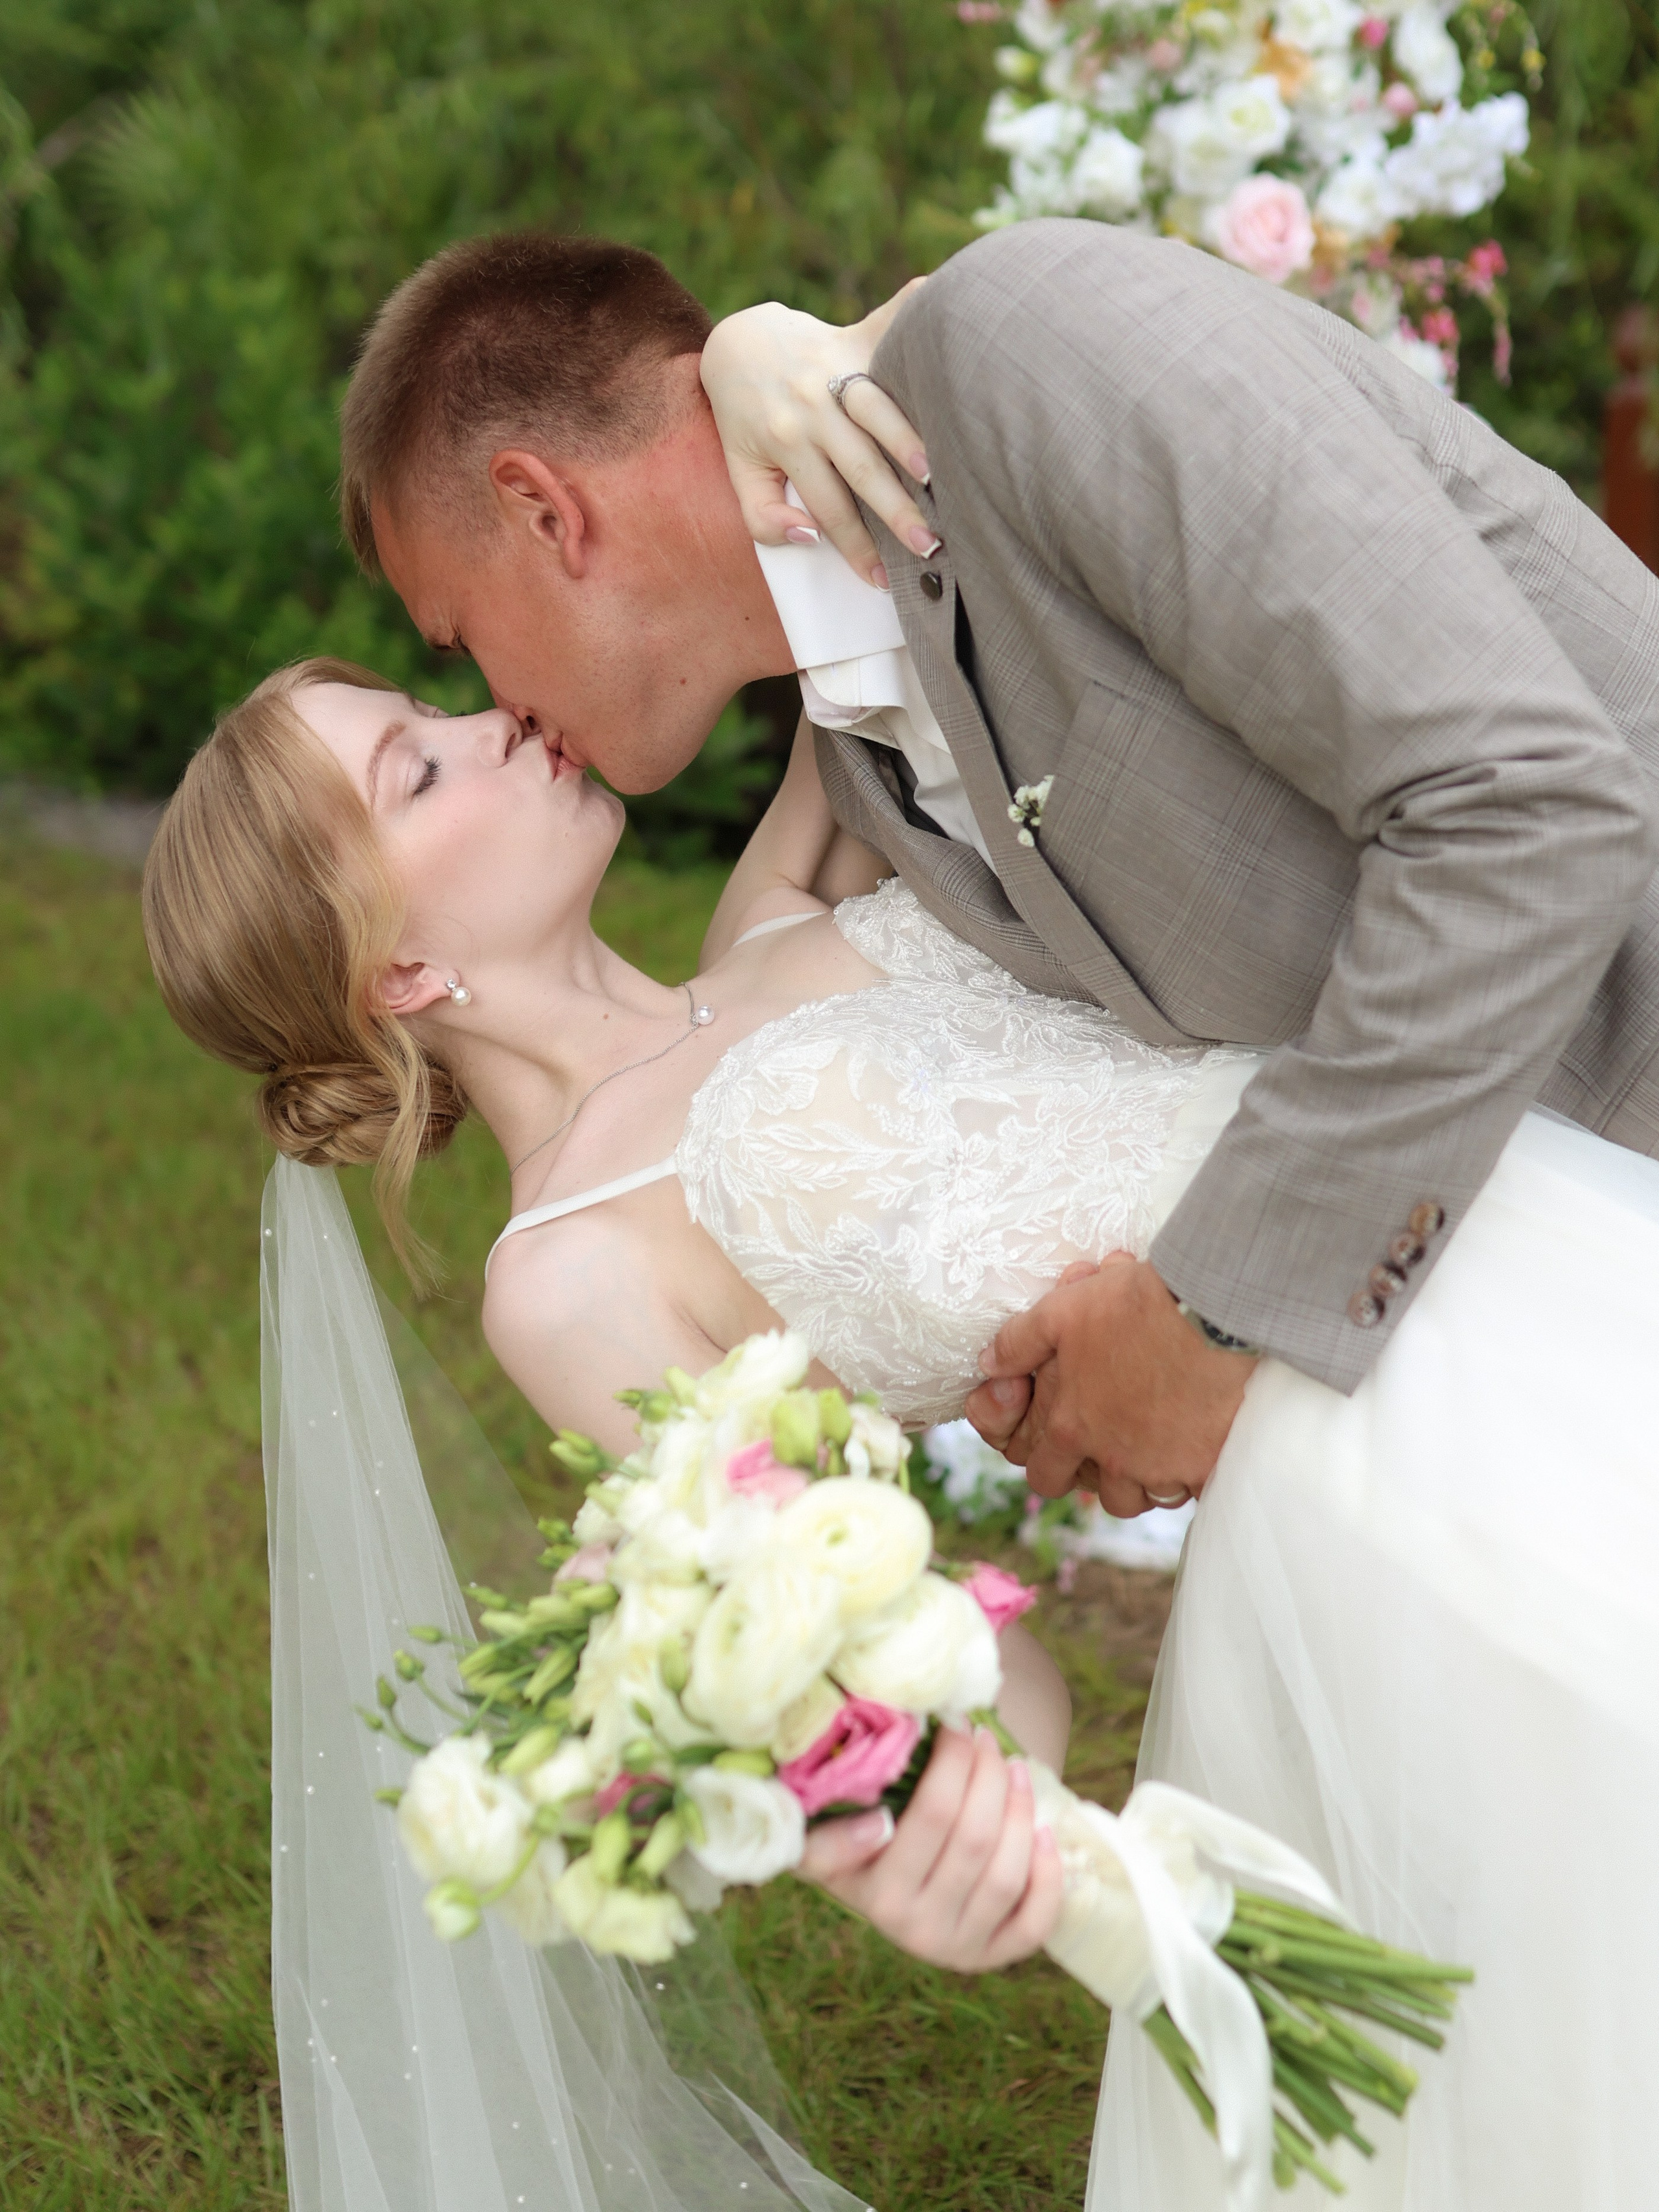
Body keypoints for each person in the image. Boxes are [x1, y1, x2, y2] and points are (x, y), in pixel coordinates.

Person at [146, 652, 1659, 2210]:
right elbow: (893, 1638)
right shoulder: (571, 1271)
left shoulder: (770, 922)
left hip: (1481, 1214)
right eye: (418, 768)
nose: (492, 719)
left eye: (433, 705)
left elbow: (845, 620)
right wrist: (959, 1809)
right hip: (1363, 1451)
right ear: (394, 973)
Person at [334, 222, 1659, 1530]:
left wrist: (1207, 1321)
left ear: (539, 507)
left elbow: (1523, 801)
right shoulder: (869, 761)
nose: (491, 705)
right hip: (1528, 1360)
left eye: (457, 638)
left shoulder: (1025, 356)